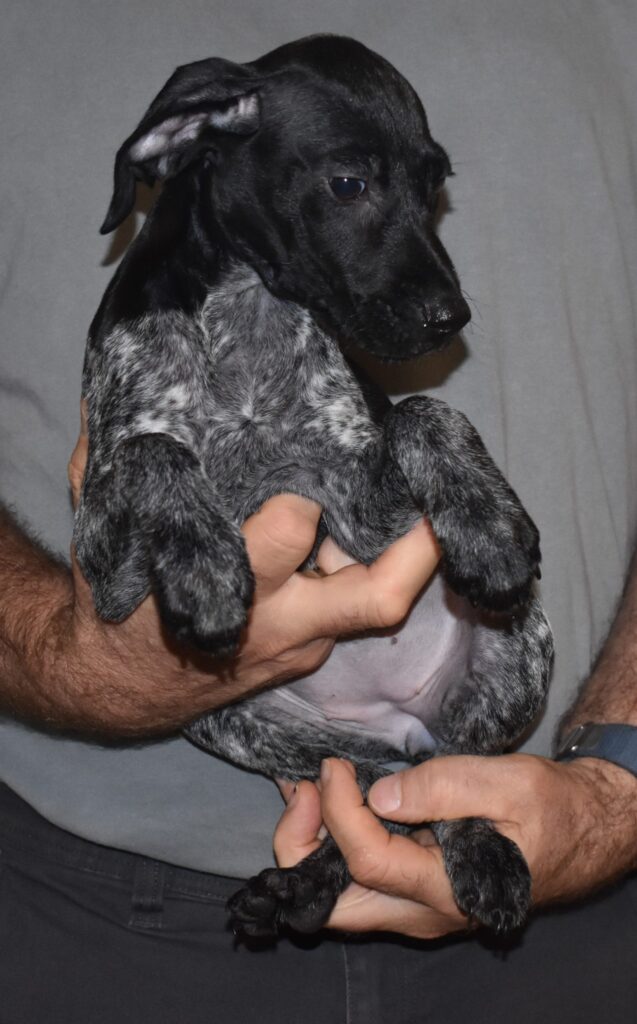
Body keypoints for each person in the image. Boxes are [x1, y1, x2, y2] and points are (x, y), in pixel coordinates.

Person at [0, 1, 636, 1021]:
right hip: (98, 909)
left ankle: (440, 811)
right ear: (186, 141)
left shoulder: (297, 321)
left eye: (422, 192)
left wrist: (619, 782)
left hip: (580, 881)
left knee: (429, 461)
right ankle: (367, 832)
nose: (432, 273)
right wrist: (105, 605)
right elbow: (114, 547)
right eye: (352, 186)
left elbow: (371, 484)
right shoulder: (148, 314)